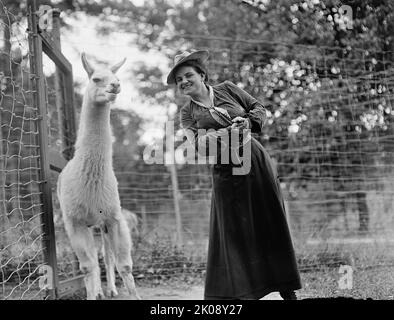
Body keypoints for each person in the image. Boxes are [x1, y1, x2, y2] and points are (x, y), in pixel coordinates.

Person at [167, 50, 302, 300]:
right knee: (233, 230)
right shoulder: (187, 113)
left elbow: (258, 107)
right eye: (179, 80)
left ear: (202, 75)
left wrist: (248, 122)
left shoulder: (228, 89)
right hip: (226, 170)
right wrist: (223, 134)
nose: (184, 82)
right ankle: (243, 294)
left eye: (188, 75)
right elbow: (197, 144)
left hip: (254, 159)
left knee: (269, 220)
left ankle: (286, 288)